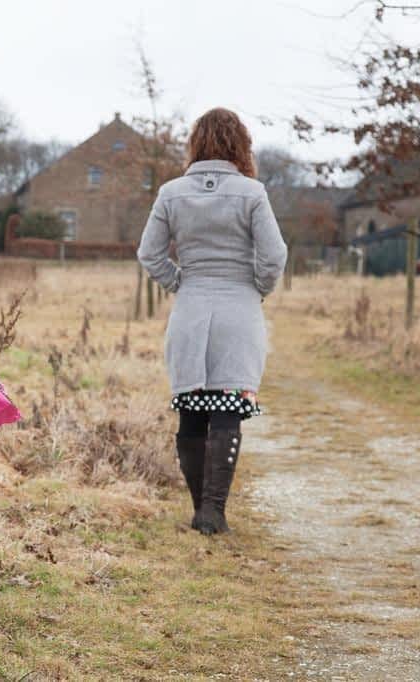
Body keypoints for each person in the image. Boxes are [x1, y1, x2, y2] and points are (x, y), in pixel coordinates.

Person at [137, 108, 287, 536]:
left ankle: (198, 507)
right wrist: (257, 286)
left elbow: (149, 254)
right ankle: (213, 511)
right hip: (239, 310)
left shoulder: (170, 193)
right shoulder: (253, 193)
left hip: (191, 307)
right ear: (240, 144)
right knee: (227, 410)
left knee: (192, 411)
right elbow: (275, 256)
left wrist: (180, 282)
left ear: (195, 143)